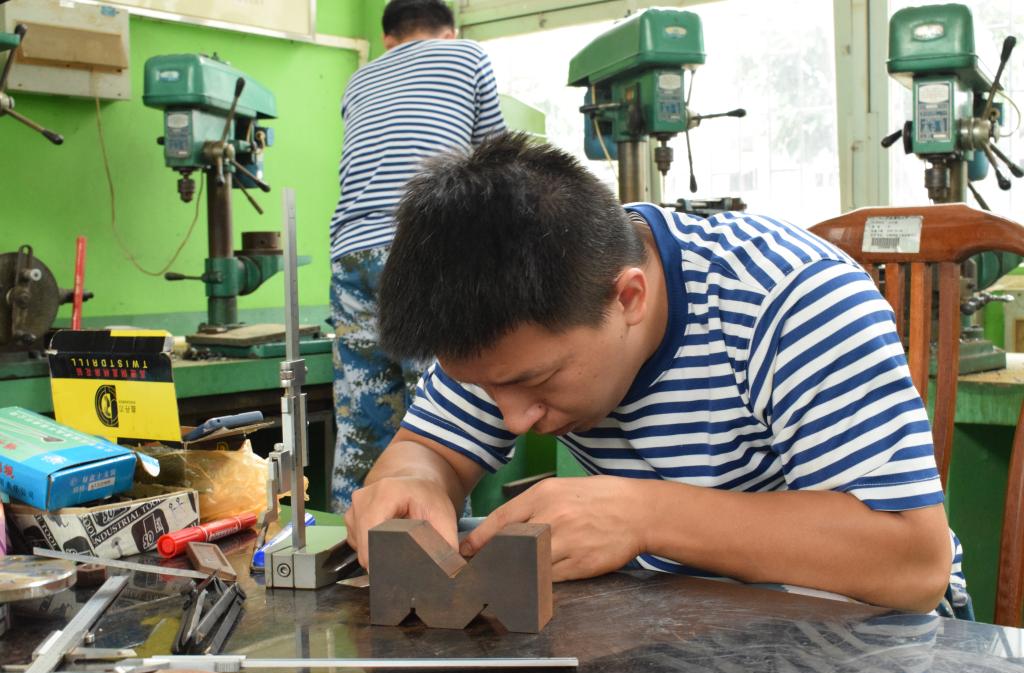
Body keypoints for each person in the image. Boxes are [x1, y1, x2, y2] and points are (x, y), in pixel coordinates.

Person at [344, 131, 965, 614]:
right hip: (678, 621)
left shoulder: (792, 298)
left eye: (537, 383)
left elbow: (913, 565)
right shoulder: (505, 327)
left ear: (629, 298)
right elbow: (429, 451)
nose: (514, 420)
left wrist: (642, 517)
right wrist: (412, 483)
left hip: (866, 632)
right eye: (485, 389)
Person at [328, 0, 506, 512]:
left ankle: (347, 541)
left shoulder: (359, 79)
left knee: (363, 418)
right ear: (449, 31)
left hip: (351, 252)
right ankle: (441, 542)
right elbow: (496, 164)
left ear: (389, 38)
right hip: (426, 244)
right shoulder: (467, 56)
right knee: (443, 420)